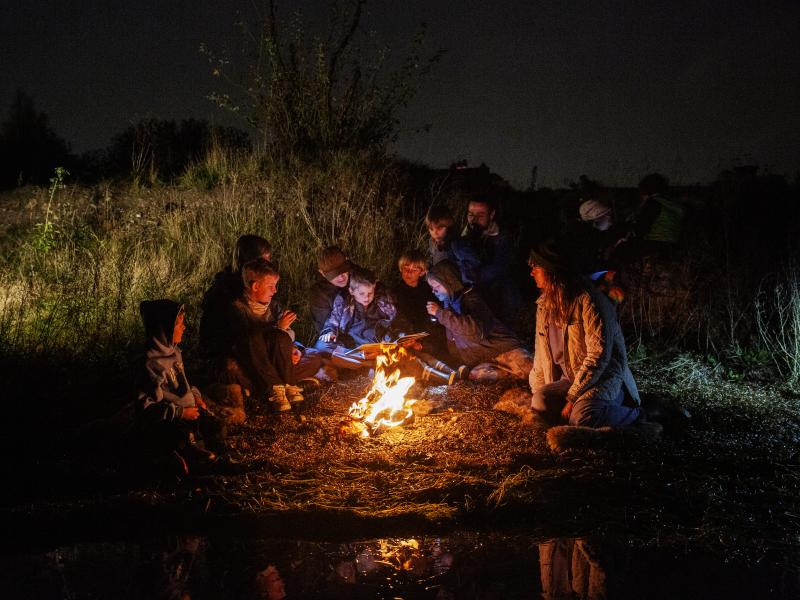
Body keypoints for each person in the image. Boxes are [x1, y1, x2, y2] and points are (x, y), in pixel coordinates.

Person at [527, 240, 643, 427]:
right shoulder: (544, 305)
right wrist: (540, 391)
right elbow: (540, 357)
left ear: (552, 272)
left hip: (601, 379)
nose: (532, 272)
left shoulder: (590, 301)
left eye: (536, 267)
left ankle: (635, 415)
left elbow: (598, 356)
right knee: (540, 404)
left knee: (581, 418)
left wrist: (572, 398)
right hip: (570, 378)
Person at [136, 300, 224, 475]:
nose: (184, 327)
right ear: (164, 329)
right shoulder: (151, 364)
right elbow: (146, 408)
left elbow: (184, 385)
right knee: (178, 432)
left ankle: (215, 457)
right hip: (171, 418)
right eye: (179, 324)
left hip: (189, 411)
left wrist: (196, 397)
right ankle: (187, 458)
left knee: (216, 426)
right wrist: (180, 413)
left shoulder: (175, 353)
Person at [425, 260, 532, 382]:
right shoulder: (448, 306)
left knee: (533, 375)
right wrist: (459, 362)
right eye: (432, 287)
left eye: (437, 286)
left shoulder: (473, 299)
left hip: (504, 351)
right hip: (483, 360)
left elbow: (475, 331)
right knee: (477, 377)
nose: (433, 291)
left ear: (449, 282)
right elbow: (453, 341)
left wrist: (440, 314)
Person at [228, 259, 312, 412]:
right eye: (270, 286)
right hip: (253, 360)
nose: (275, 290)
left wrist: (293, 348)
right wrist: (277, 326)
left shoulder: (273, 306)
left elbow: (286, 335)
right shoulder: (237, 308)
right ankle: (273, 388)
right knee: (254, 337)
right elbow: (247, 338)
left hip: (273, 358)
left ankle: (288, 384)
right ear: (255, 286)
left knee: (282, 337)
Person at [316, 267, 401, 369]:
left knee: (400, 345)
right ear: (351, 291)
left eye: (370, 293)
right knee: (321, 346)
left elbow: (397, 321)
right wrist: (330, 331)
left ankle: (358, 362)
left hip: (376, 344)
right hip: (352, 346)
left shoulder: (382, 302)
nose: (366, 297)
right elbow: (333, 320)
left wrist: (398, 336)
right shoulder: (344, 301)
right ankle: (368, 363)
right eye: (362, 294)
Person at [200, 234, 272, 351]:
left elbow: (273, 312)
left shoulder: (259, 283)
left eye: (268, 262)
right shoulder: (228, 293)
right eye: (262, 263)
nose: (267, 267)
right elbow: (247, 336)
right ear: (248, 262)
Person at [460, 194, 523, 319]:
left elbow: (500, 268)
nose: (474, 219)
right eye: (471, 214)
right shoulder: (463, 236)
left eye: (480, 215)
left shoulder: (502, 238)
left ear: (492, 215)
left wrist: (473, 276)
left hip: (496, 296)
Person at [425, 205, 479, 284]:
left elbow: (474, 263)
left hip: (458, 287)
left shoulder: (456, 244)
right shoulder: (432, 242)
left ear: (449, 225)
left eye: (439, 228)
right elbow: (435, 261)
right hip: (442, 286)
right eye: (431, 229)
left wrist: (455, 274)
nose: (435, 233)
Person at [309, 246, 353, 335]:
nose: (341, 277)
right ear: (322, 273)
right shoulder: (320, 294)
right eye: (334, 274)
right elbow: (325, 329)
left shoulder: (357, 275)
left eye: (343, 270)